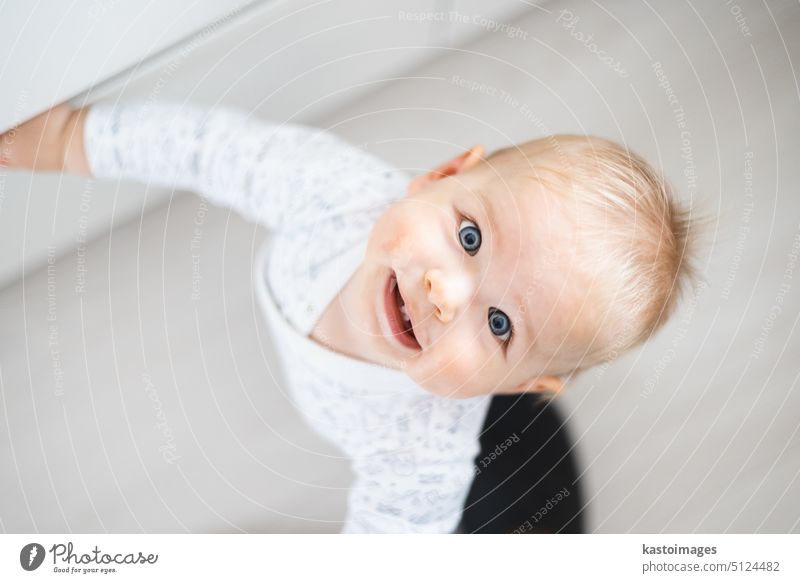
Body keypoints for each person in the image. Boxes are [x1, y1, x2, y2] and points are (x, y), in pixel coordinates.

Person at [0, 101, 694, 532]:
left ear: (517, 381)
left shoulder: (420, 453)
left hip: (502, 485)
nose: (445, 294)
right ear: (441, 176)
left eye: (501, 324)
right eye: (471, 238)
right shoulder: (334, 195)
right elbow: (208, 147)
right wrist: (71, 139)